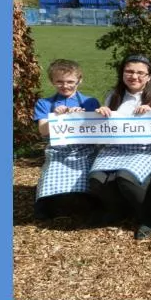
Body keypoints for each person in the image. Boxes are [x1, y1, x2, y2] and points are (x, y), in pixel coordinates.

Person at [89, 54, 151, 239]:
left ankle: (149, 218)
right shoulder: (113, 95)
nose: (134, 76)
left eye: (140, 73)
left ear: (149, 76)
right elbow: (105, 127)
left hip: (149, 149)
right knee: (96, 179)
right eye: (129, 71)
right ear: (122, 73)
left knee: (125, 178)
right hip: (116, 148)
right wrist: (102, 113)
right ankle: (120, 210)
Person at [32, 59, 100, 220]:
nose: (65, 86)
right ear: (52, 81)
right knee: (48, 194)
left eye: (70, 82)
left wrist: (81, 116)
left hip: (84, 150)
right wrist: (57, 117)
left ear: (79, 80)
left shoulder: (90, 102)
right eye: (59, 82)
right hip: (58, 151)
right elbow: (43, 131)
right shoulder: (44, 103)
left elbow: (97, 131)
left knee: (84, 191)